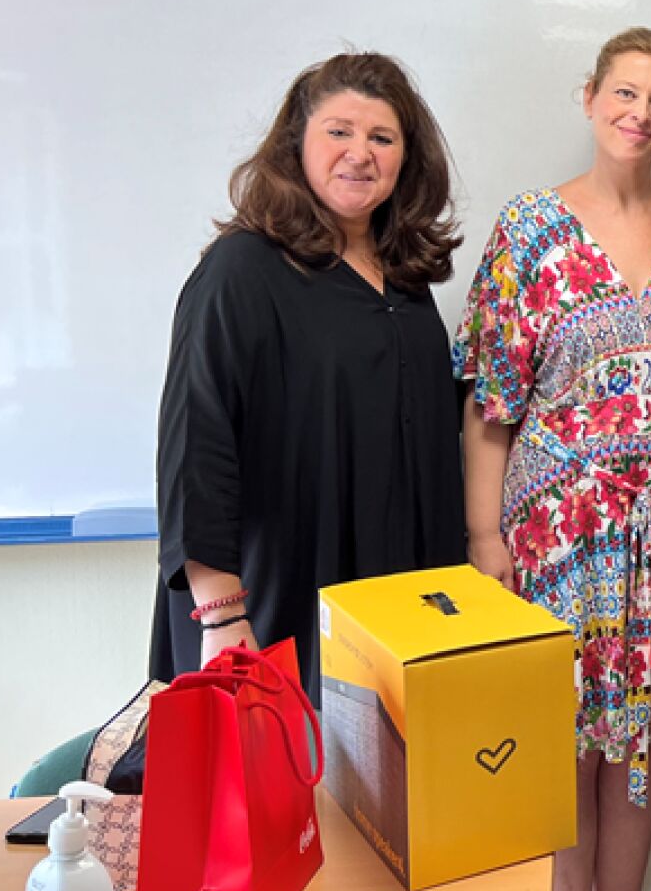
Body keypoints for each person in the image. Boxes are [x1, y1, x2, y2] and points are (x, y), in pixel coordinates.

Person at [455, 27, 651, 891]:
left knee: (639, 751)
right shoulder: (530, 229)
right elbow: (490, 403)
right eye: (624, 92)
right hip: (559, 539)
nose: (639, 114)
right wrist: (485, 538)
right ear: (590, 97)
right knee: (564, 750)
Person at [151, 52, 465, 700]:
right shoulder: (242, 270)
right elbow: (197, 443)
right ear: (297, 145)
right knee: (284, 760)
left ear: (408, 158)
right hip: (272, 598)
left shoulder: (405, 280)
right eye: (338, 131)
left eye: (382, 138)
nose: (360, 153)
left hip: (389, 595)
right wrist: (222, 615)